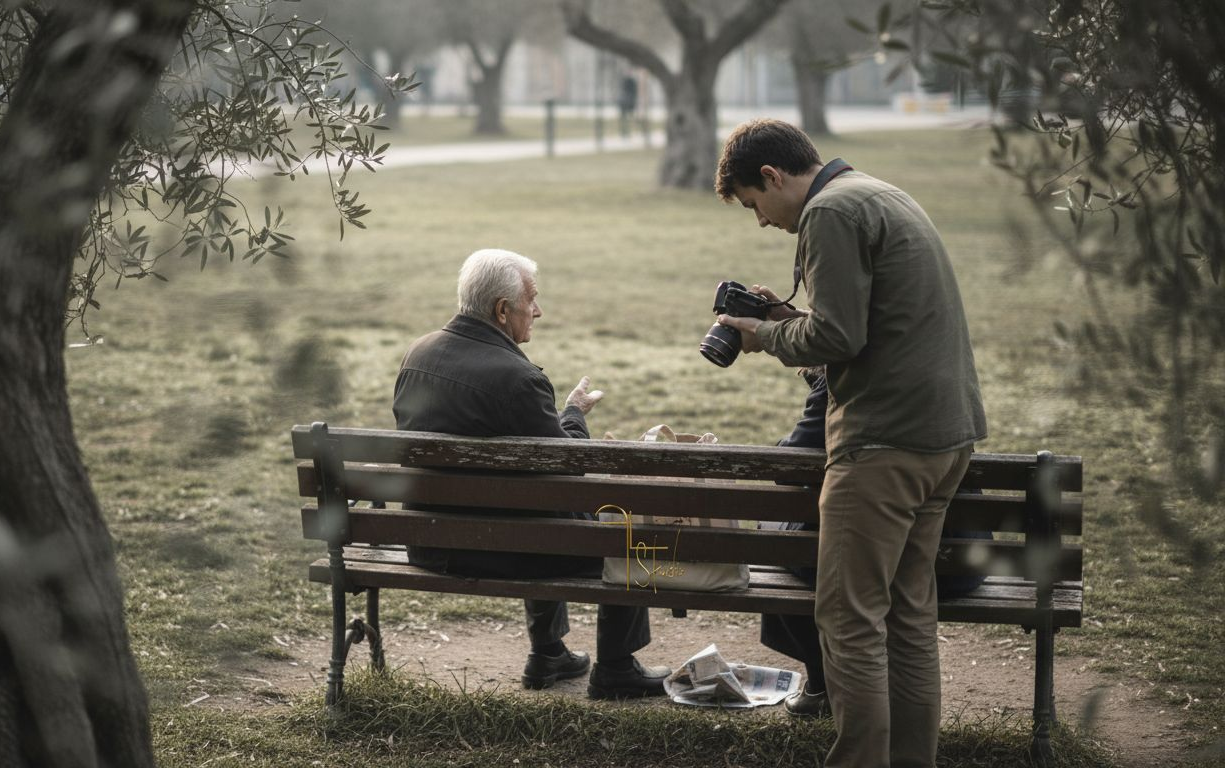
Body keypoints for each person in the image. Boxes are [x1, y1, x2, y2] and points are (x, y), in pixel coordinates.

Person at [714, 120, 988, 768]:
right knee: (907, 617)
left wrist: (762, 338)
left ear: (773, 178)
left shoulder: (829, 213)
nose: (761, 222)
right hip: (945, 436)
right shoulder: (879, 194)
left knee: (848, 619)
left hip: (883, 445)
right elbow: (866, 327)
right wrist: (784, 318)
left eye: (755, 205)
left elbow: (839, 339)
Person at [393, 248, 670, 700]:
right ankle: (618, 667)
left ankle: (549, 653)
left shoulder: (417, 354)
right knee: (624, 530)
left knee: (531, 509)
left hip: (429, 540)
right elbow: (568, 473)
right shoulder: (518, 378)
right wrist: (575, 415)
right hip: (501, 546)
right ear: (502, 310)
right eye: (532, 300)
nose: (537, 310)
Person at [760, 367, 991, 720]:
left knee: (781, 541)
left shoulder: (845, 378)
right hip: (957, 568)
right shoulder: (942, 381)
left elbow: (789, 465)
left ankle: (822, 683)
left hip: (877, 566)